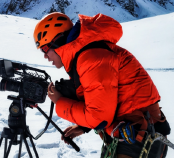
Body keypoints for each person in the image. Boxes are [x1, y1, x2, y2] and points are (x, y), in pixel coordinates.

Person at [33, 12, 171, 158]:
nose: (45, 57)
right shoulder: (86, 55)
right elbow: (104, 101)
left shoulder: (92, 58)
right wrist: (84, 127)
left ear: (57, 41)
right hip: (134, 133)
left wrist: (60, 103)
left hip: (139, 136)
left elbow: (99, 118)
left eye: (45, 49)